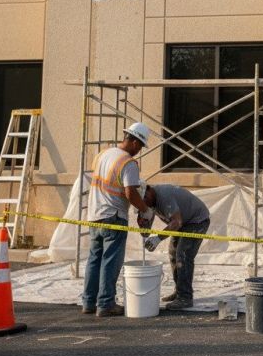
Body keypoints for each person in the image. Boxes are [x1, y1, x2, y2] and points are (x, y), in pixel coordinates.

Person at [82, 122, 152, 317]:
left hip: (94, 215)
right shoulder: (128, 163)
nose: (139, 151)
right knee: (110, 261)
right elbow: (131, 193)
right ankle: (105, 304)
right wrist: (145, 210)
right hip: (114, 216)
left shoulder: (103, 154)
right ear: (135, 142)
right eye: (140, 146)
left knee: (94, 259)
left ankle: (88, 302)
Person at [138, 182, 211, 310]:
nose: (145, 203)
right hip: (183, 222)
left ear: (148, 190)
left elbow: (176, 222)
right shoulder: (150, 201)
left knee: (183, 255)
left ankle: (185, 297)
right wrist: (144, 223)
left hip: (197, 221)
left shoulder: (164, 196)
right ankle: (179, 291)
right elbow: (147, 226)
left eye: (144, 199)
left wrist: (158, 238)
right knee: (173, 253)